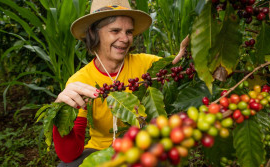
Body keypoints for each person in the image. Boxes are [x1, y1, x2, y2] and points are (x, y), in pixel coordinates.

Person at [53, 0, 189, 166]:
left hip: (141, 146)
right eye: (115, 30)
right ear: (94, 33)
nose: (124, 39)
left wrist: (188, 54)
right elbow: (68, 155)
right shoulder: (80, 81)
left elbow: (176, 69)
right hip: (100, 151)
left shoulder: (148, 64)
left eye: (129, 32)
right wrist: (60, 115)